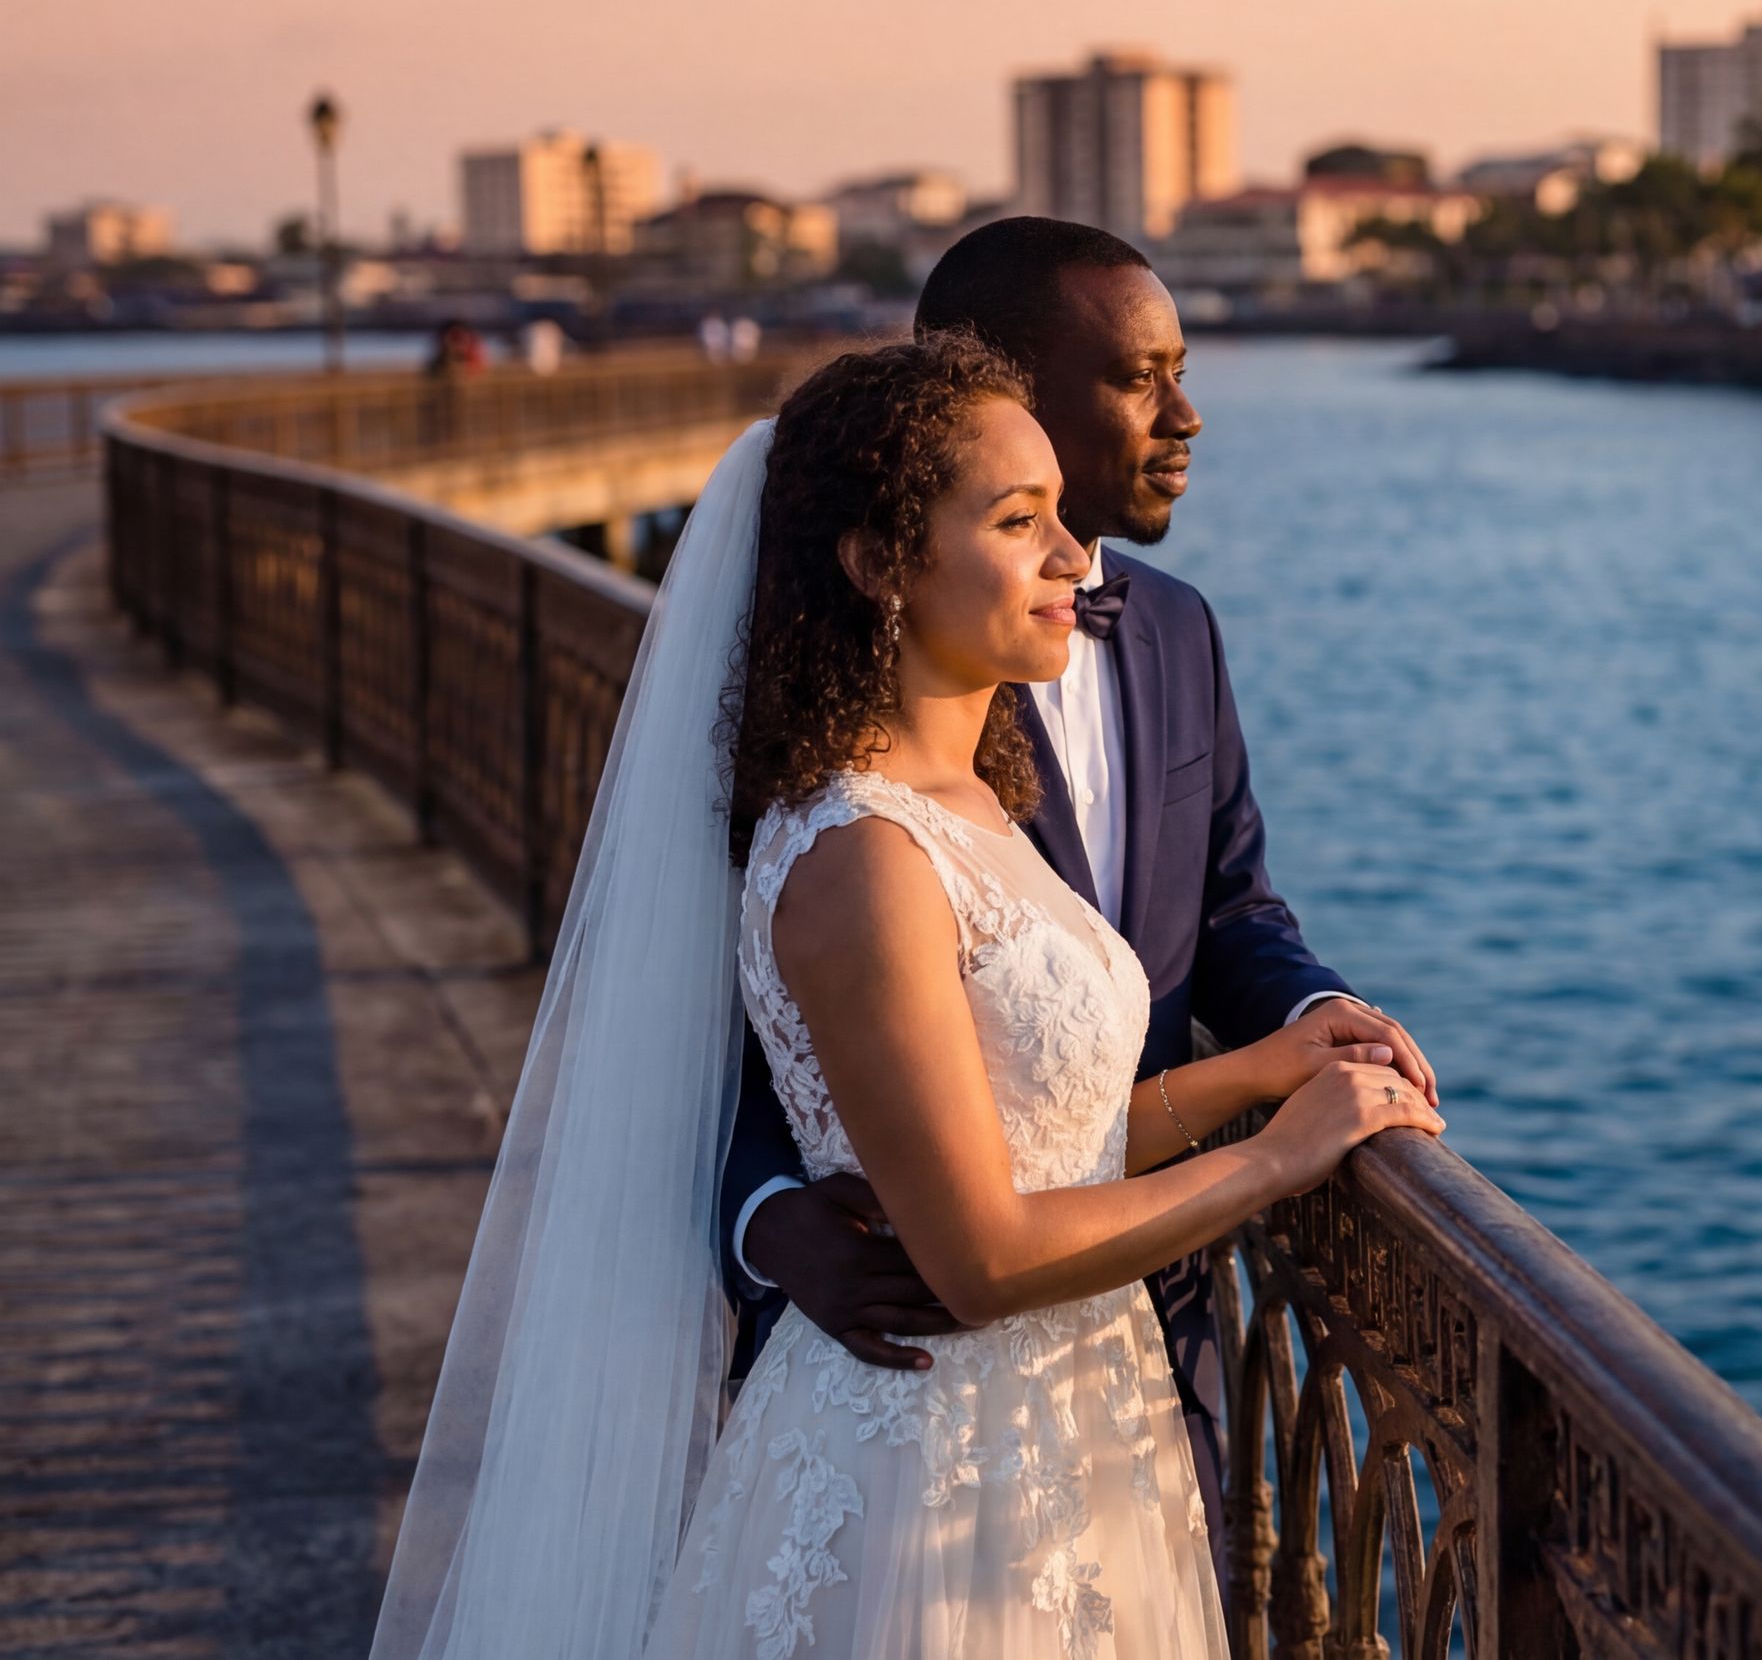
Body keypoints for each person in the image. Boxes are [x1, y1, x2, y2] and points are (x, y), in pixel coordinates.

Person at [372, 336, 1442, 1658]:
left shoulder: (969, 804)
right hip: (934, 1466)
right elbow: (977, 1258)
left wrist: (1266, 1067)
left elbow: (1047, 1137)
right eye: (1017, 521)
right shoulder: (863, 854)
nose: (1073, 556)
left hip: (1074, 1436)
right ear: (881, 563)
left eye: (1060, 515)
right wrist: (1281, 1157)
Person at [721, 218, 1438, 1574]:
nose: (1186, 414)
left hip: (1138, 1363)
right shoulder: (843, 784)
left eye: (1183, 371)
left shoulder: (1158, 642)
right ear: (1003, 382)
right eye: (1137, 376)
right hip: (917, 1397)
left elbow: (1230, 914)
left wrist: (1296, 1042)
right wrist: (762, 1218)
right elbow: (741, 1013)